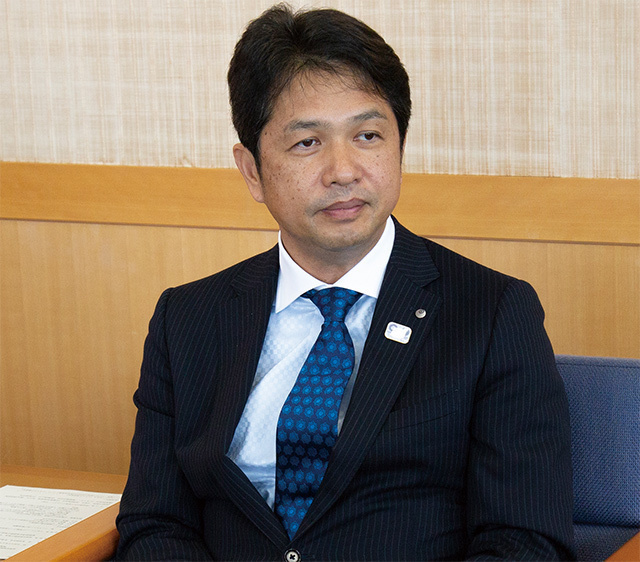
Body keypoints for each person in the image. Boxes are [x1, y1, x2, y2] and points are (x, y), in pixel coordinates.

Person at [115, 5, 575, 560]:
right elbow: (155, 522)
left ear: (399, 147)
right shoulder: (187, 317)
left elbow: (524, 540)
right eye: (307, 143)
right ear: (252, 170)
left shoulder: (491, 311)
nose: (343, 171)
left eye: (368, 135)